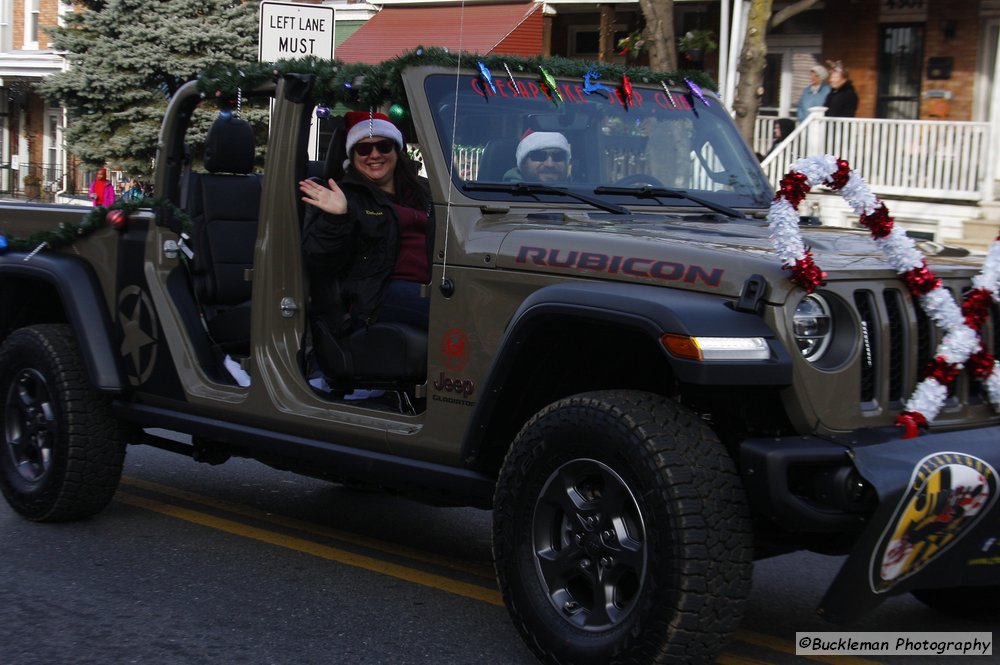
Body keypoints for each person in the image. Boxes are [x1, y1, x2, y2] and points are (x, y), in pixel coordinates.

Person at [299, 111, 431, 332]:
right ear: (352, 156)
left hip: (436, 284)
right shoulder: (346, 197)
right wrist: (336, 217)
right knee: (455, 313)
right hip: (380, 294)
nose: (374, 155)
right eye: (364, 149)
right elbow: (318, 258)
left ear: (397, 150)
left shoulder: (423, 191)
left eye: (384, 146)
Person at [504, 130, 571, 183]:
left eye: (558, 156)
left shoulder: (578, 192)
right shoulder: (503, 196)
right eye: (539, 156)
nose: (550, 164)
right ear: (523, 163)